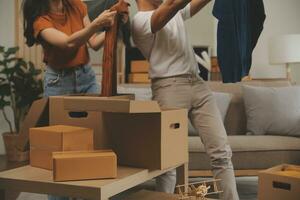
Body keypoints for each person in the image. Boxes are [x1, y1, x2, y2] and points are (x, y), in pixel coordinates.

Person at [132, 0, 239, 199]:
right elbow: (172, 4)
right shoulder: (140, 21)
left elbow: (189, 4)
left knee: (222, 154)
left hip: (198, 84)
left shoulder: (174, 13)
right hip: (169, 88)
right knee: (168, 162)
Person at [23, 0, 122, 199]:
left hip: (86, 77)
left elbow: (93, 43)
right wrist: (97, 23)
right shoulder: (40, 20)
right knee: (60, 148)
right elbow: (68, 42)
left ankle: (90, 192)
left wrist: (116, 24)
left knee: (96, 139)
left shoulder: (77, 6)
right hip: (59, 82)